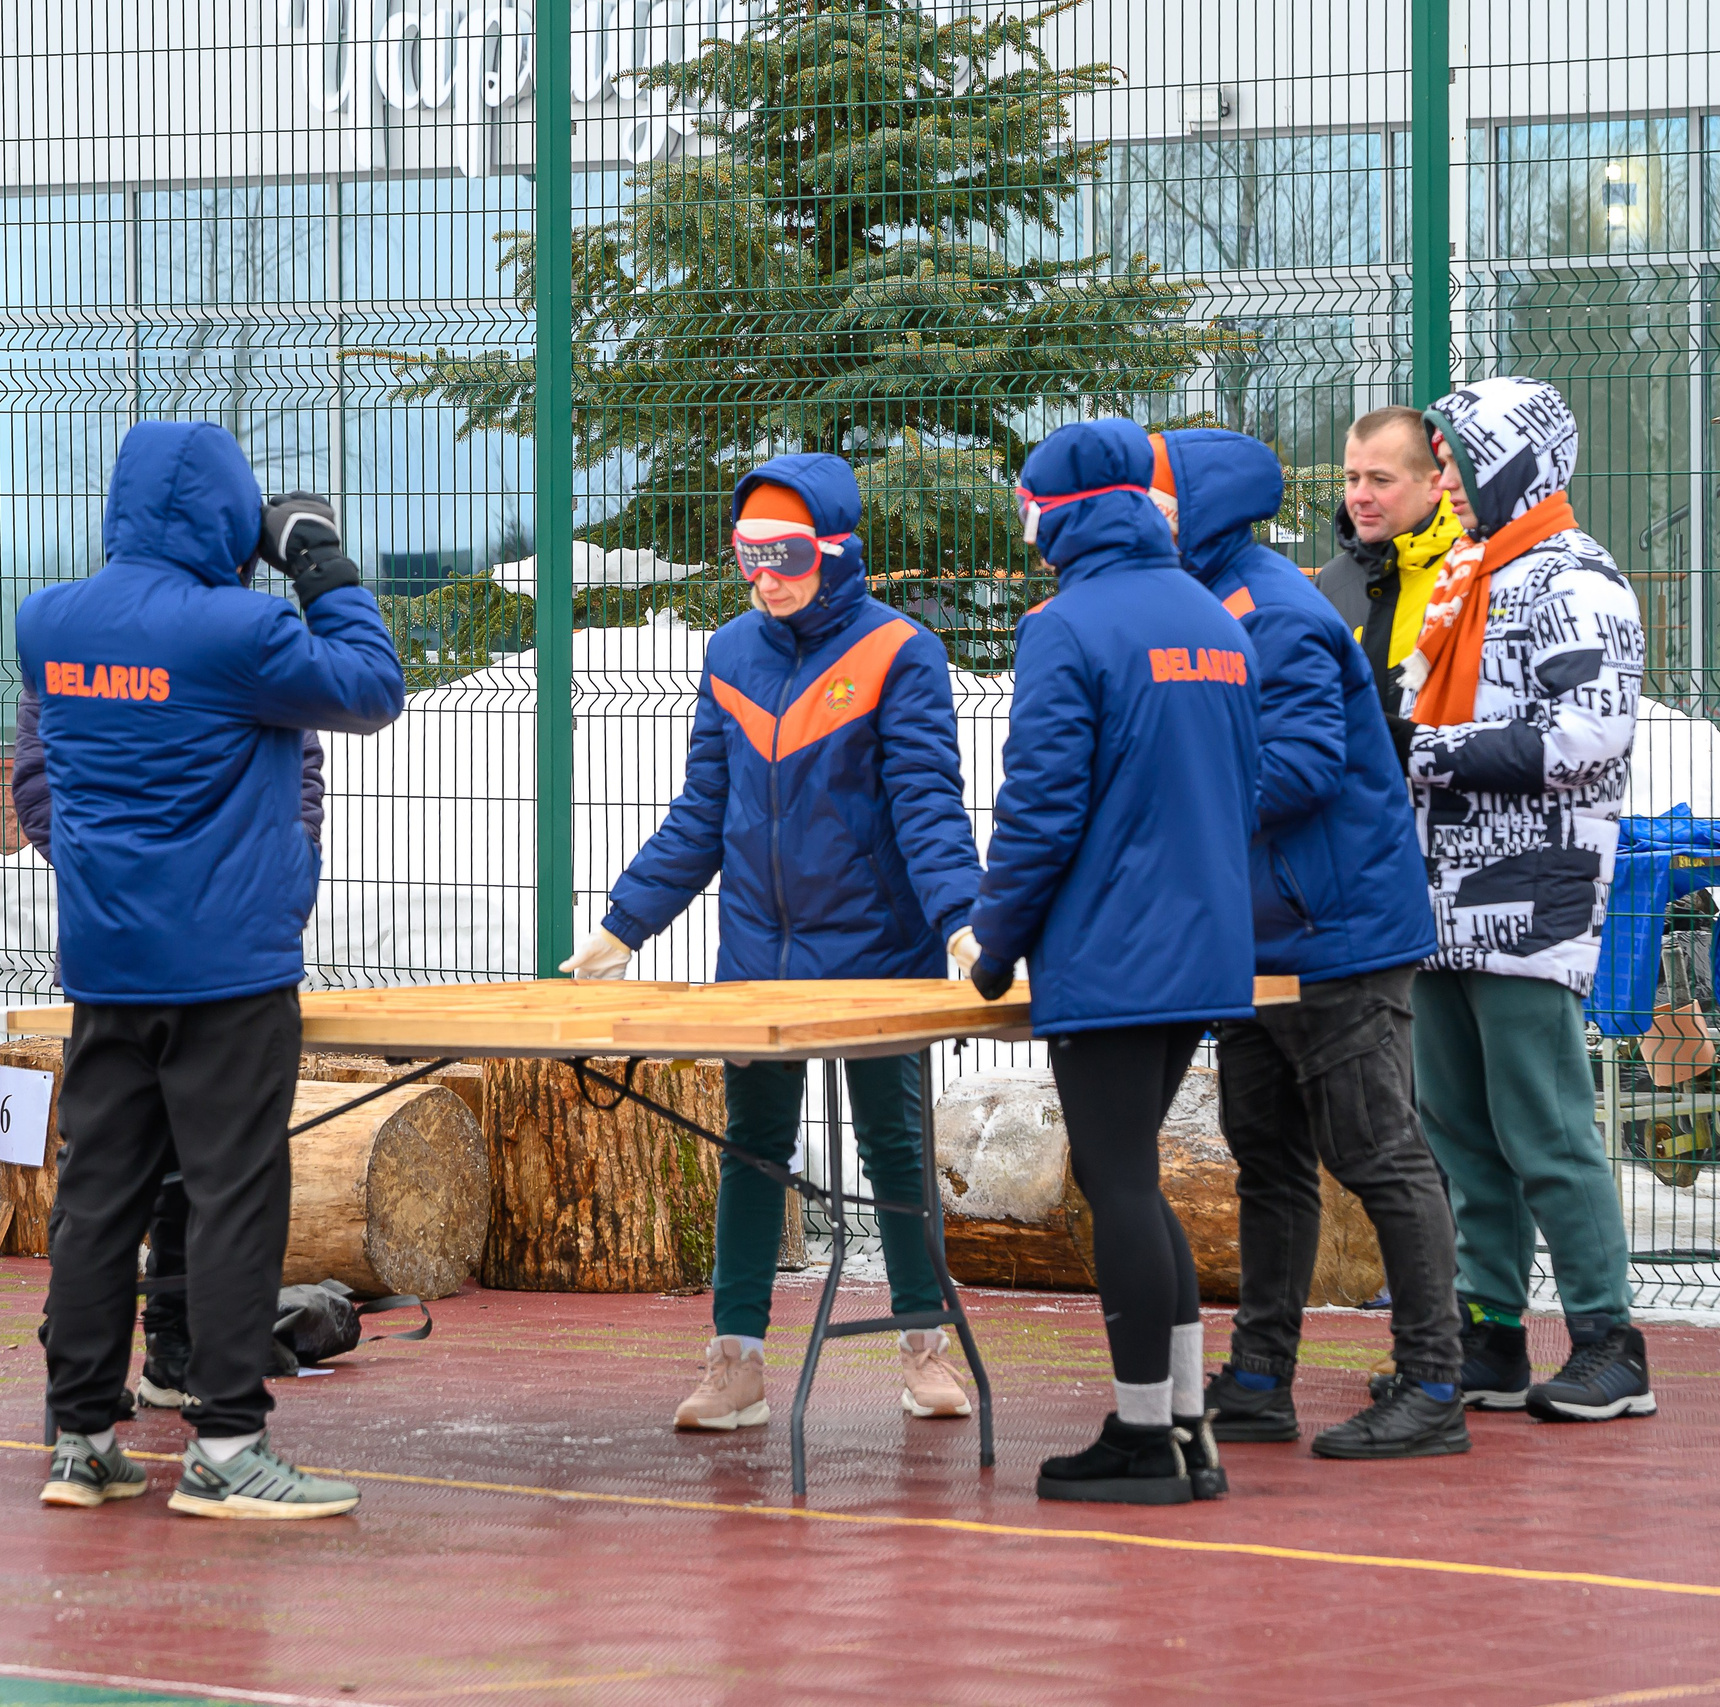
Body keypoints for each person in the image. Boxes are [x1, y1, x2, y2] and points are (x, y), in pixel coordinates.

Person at [18, 421, 404, 1516]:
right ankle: (228, 1447)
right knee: (236, 1198)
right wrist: (319, 560)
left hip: (107, 961)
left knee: (99, 1199)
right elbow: (372, 690)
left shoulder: (49, 622)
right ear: (232, 516)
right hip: (227, 966)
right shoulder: (240, 630)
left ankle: (83, 1438)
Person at [559, 453, 984, 1432]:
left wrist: (963, 920)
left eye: (784, 553)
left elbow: (926, 808)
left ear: (834, 550)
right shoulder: (730, 655)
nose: (764, 575)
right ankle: (735, 1362)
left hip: (877, 956)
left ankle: (924, 1343)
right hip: (757, 957)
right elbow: (701, 817)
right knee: (751, 1151)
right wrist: (625, 922)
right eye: (747, 554)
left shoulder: (899, 653)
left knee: (894, 1149)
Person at [1145, 429, 1465, 1461]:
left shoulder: (1271, 612)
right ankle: (1259, 1377)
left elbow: (1300, 770)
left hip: (1336, 933)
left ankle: (1432, 1382)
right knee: (1266, 1158)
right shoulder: (1203, 603)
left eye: (1155, 501)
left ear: (1199, 509)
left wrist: (1162, 818)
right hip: (1254, 938)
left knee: (1378, 1153)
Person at [968, 418, 1261, 1506]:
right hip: (1203, 939)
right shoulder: (1206, 612)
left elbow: (1041, 804)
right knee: (1130, 1174)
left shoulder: (1067, 625)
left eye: (1028, 505)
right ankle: (1183, 1425)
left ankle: (1146, 1435)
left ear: (1058, 512)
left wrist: (995, 941)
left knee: (1117, 1180)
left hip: (1113, 945)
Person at [1403, 377, 1653, 1422]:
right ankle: (1490, 1334)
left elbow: (1591, 732)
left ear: (1513, 460)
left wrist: (1426, 751)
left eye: (1457, 457)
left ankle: (1609, 1342)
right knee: (1457, 1130)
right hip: (1439, 897)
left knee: (1544, 1127)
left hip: (1531, 895)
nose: (1444, 478)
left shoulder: (1576, 580)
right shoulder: (1472, 577)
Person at [11, 694, 331, 1417]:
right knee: (109, 1178)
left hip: (215, 956)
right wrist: (117, 878)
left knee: (195, 1177)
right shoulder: (80, 639)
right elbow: (39, 784)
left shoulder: (242, 636)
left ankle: (162, 1363)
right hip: (126, 956)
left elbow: (298, 775)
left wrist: (282, 882)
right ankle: (99, 1391)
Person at [1313, 405, 1467, 763]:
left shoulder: (1474, 572)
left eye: (1380, 480)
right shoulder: (1331, 583)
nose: (1359, 496)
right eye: (1352, 479)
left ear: (1434, 484)